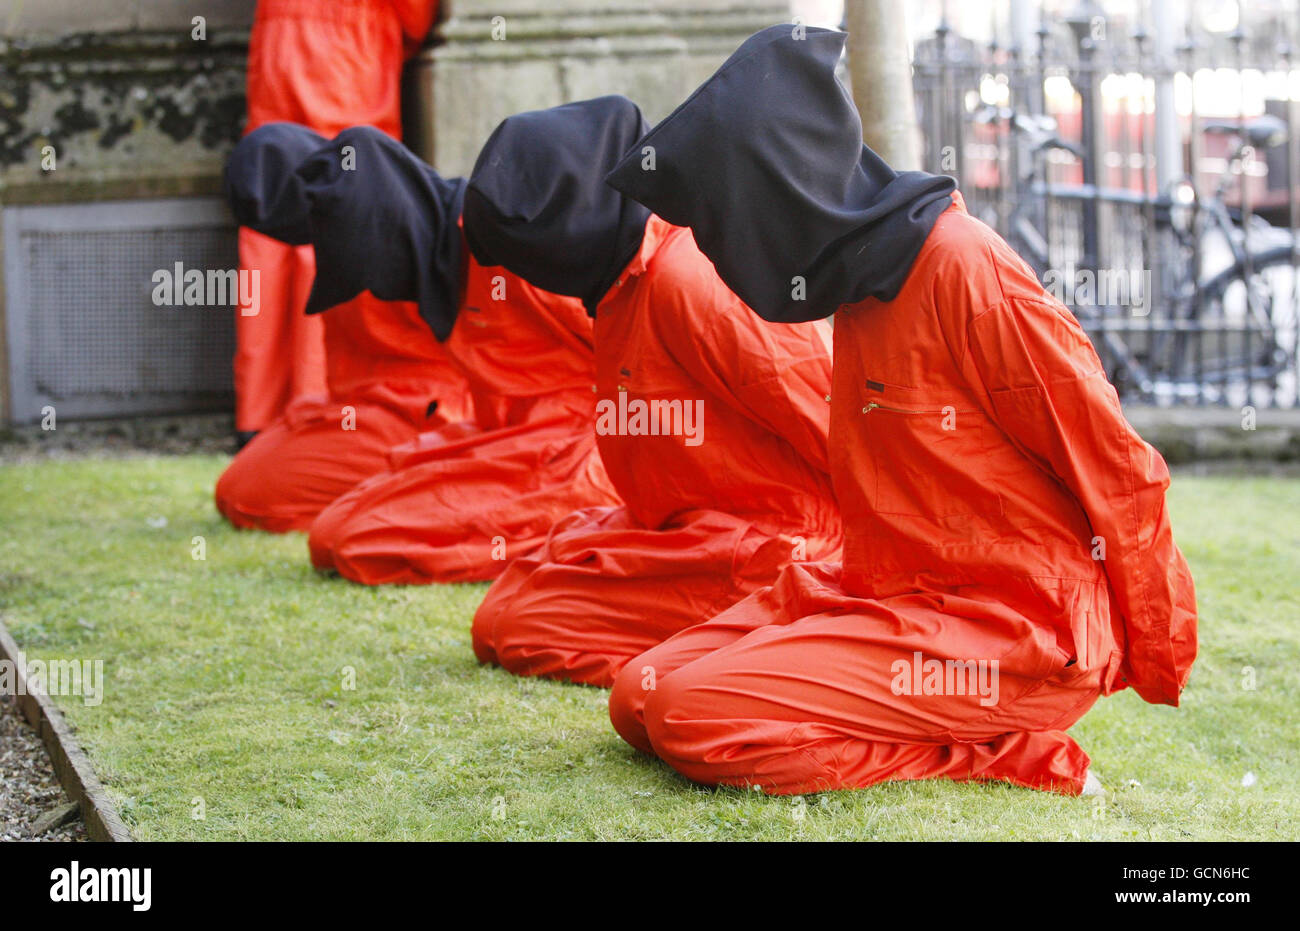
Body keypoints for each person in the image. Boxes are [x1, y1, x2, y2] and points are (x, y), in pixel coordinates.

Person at [603, 25, 1197, 796]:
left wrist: (1153, 651)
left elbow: (1114, 463)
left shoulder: (963, 269)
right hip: (888, 595)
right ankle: (949, 725)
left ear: (779, 190)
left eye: (723, 223)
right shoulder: (859, 283)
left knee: (691, 716)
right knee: (640, 692)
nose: (716, 252)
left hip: (1011, 630)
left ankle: (995, 749)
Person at [466, 96, 842, 687]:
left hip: (775, 547)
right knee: (514, 599)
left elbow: (837, 421)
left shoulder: (691, 278)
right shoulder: (624, 278)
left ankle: (764, 645)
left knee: (521, 621)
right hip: (691, 530)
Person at [216, 124, 473, 533]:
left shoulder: (444, 228)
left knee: (255, 496)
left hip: (434, 414)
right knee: (242, 484)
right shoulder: (346, 225)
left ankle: (421, 483)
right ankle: (406, 486)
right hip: (370, 409)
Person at [234, 0, 442, 441]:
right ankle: (316, 399)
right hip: (353, 52)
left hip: (279, 45)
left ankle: (256, 411)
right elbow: (415, 14)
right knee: (337, 216)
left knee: (269, 220)